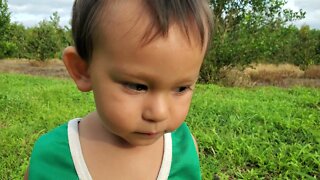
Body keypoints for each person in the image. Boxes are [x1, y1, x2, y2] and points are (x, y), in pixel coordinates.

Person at [25, 0, 213, 179]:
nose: (159, 112)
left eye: (181, 88)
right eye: (137, 86)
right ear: (83, 70)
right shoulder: (50, 159)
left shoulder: (185, 150)